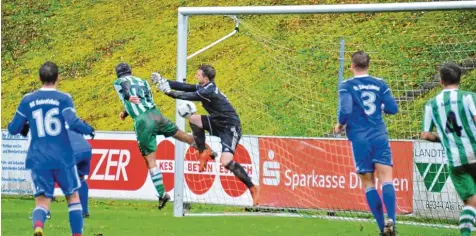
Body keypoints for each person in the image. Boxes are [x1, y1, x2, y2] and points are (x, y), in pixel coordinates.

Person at [8, 61, 95, 236]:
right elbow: (72, 121)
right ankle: (77, 234)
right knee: (73, 198)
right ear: (58, 78)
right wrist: (89, 129)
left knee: (42, 202)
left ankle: (39, 225)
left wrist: (25, 124)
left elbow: (13, 129)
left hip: (38, 158)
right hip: (63, 158)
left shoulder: (28, 100)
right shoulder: (64, 98)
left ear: (39, 78)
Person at [153, 64, 260, 206]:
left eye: (198, 74)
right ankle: (204, 151)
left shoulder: (208, 91)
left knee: (225, 162)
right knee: (193, 119)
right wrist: (165, 82)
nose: (196, 76)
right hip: (217, 121)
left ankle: (253, 188)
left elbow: (188, 95)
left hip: (230, 127)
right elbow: (187, 87)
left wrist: (168, 92)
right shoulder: (205, 87)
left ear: (206, 77)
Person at [113, 62, 215, 209]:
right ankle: (207, 150)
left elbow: (126, 88)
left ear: (118, 74)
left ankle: (162, 194)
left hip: (143, 121)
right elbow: (142, 99)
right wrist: (125, 112)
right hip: (156, 115)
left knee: (150, 160)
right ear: (131, 71)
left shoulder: (119, 81)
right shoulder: (142, 82)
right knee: (183, 136)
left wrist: (128, 96)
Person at [334, 51, 398, 236]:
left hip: (360, 139)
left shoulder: (347, 85)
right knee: (386, 179)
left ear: (352, 65)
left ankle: (381, 228)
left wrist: (339, 125)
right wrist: (381, 106)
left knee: (369, 184)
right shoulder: (380, 84)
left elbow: (345, 109)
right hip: (379, 135)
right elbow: (393, 109)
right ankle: (392, 221)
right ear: (369, 65)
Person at [420, 62, 476, 236]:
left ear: (441, 82)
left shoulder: (431, 104)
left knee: (471, 203)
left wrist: (442, 140)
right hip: (474, 153)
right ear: (460, 79)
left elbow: (425, 135)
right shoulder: (468, 97)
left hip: (454, 160)